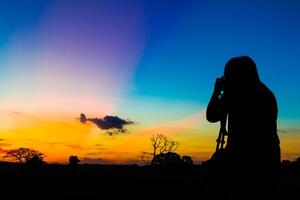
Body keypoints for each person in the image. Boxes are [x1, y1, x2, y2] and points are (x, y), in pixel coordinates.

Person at [206, 56, 281, 199]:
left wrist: (216, 92)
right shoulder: (267, 93)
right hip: (269, 159)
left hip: (242, 162)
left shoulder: (236, 93)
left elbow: (211, 116)